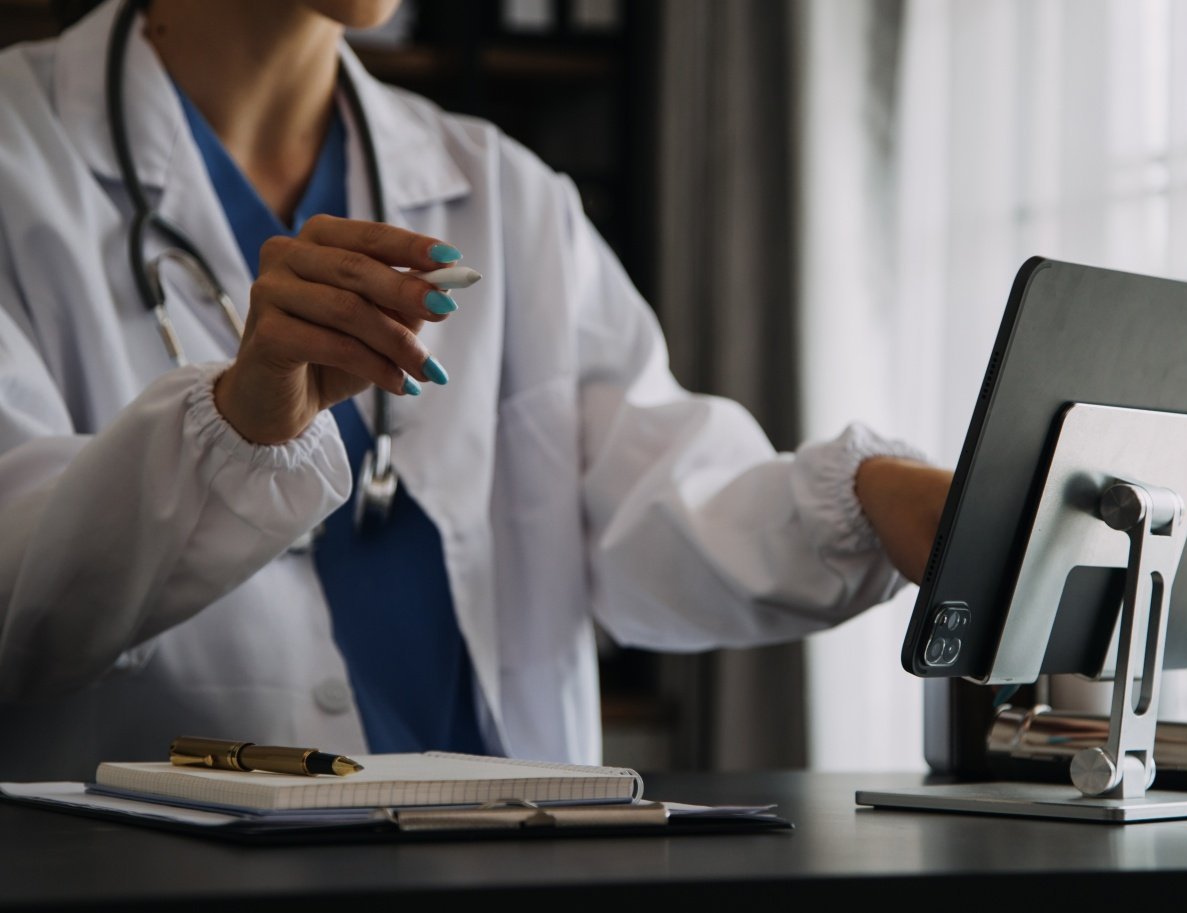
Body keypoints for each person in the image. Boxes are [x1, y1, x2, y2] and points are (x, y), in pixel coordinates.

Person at [0, 0, 952, 781]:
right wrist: (227, 428)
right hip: (174, 874)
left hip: (505, 853)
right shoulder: (19, 158)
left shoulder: (501, 190)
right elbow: (18, 591)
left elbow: (661, 505)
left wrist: (876, 499)